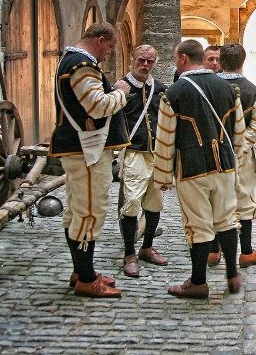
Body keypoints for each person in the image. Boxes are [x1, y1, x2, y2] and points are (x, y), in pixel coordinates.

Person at [153, 39, 246, 298]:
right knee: (227, 219)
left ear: (183, 58)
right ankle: (232, 274)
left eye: (175, 58)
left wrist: (162, 175)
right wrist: (233, 159)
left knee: (198, 225)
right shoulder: (229, 89)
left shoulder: (174, 94)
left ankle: (198, 282)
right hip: (225, 165)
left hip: (192, 167)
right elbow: (238, 133)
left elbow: (165, 139)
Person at [50, 22, 130, 298]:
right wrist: (120, 92)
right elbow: (97, 106)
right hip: (87, 151)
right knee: (88, 213)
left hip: (79, 149)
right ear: (99, 40)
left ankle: (81, 270)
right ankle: (85, 279)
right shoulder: (82, 65)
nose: (108, 54)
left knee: (76, 211)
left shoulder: (70, 60)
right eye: (109, 47)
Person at [207, 43, 256, 269]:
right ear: (242, 62)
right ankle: (245, 252)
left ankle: (214, 251)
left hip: (213, 152)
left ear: (221, 60)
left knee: (215, 199)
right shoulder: (252, 89)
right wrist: (241, 147)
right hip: (241, 155)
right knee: (244, 200)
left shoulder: (209, 86)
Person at [113, 44, 168, 278]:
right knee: (132, 203)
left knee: (154, 202)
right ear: (132, 60)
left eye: (150, 61)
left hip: (156, 152)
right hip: (134, 152)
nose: (145, 65)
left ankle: (146, 247)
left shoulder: (160, 89)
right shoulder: (120, 88)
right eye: (141, 60)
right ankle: (129, 253)